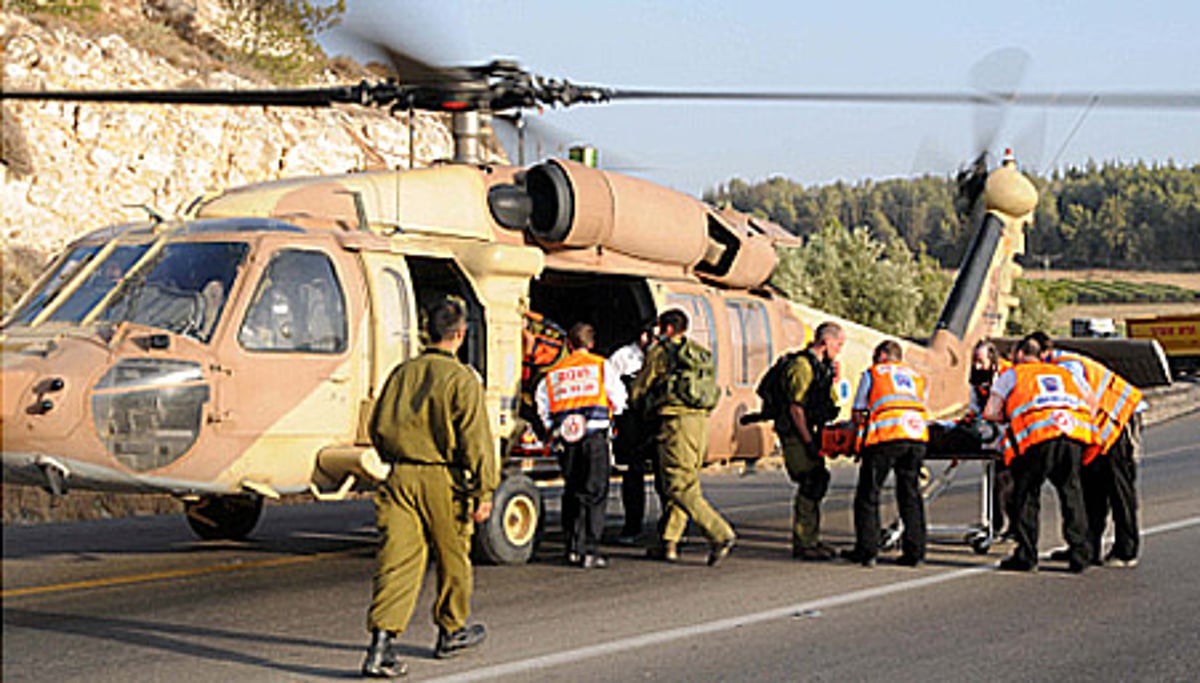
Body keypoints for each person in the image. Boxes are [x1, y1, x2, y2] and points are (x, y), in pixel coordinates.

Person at [361, 297, 498, 678]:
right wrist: (483, 490)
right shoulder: (461, 379)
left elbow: (377, 427)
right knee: (454, 559)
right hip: (443, 479)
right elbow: (477, 441)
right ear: (461, 334)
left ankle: (381, 645)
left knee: (397, 562)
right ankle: (451, 630)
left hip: (400, 476)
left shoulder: (402, 373)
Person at [983, 335, 1098, 573]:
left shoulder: (1013, 375)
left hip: (1037, 439)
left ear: (1021, 355)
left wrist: (1010, 417)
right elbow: (1091, 402)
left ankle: (1026, 555)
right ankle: (1080, 554)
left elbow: (991, 412)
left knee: (1026, 495)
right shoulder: (1065, 374)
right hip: (1072, 435)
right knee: (1072, 494)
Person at [630, 308, 736, 567]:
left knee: (679, 485)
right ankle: (669, 541)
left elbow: (640, 388)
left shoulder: (661, 353)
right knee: (686, 481)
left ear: (666, 329)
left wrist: (638, 404)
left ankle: (719, 533)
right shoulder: (697, 352)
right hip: (699, 424)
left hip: (676, 425)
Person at [1032, 333, 1146, 567]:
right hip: (1098, 429)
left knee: (1118, 487)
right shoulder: (1053, 369)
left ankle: (1126, 550)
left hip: (1117, 419)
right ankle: (1087, 546)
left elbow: (1089, 401)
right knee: (1090, 488)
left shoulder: (1067, 367)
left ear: (1043, 354)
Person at [536, 322, 627, 568]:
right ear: (592, 344)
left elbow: (542, 405)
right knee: (594, 493)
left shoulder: (554, 372)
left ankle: (572, 547)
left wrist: (555, 428)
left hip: (567, 441)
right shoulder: (600, 366)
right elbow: (618, 400)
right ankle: (589, 550)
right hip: (594, 438)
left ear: (568, 345)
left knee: (573, 491)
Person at [841, 340, 929, 567]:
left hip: (886, 437)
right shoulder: (915, 376)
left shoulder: (874, 373)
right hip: (916, 437)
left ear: (881, 356)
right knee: (910, 494)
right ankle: (915, 552)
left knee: (868, 494)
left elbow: (860, 410)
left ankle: (867, 550)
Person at [778, 321, 845, 561]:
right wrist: (808, 442)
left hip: (810, 431)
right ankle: (804, 542)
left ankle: (811, 539)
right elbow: (796, 408)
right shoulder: (801, 367)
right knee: (810, 481)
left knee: (818, 480)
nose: (840, 349)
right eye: (838, 344)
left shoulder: (819, 367)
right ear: (826, 342)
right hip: (796, 435)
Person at [608, 324, 659, 544]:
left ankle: (671, 528)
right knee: (632, 476)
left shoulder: (662, 357)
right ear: (643, 335)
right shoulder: (622, 357)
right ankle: (632, 526)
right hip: (631, 423)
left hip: (655, 421)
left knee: (664, 477)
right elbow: (609, 385)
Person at [966, 340, 1017, 537]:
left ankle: (1013, 525)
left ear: (992, 360)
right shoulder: (976, 376)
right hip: (992, 433)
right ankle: (994, 524)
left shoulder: (1007, 375)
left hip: (1011, 433)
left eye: (980, 362)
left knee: (1008, 482)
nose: (977, 366)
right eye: (974, 361)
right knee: (994, 480)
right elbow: (975, 404)